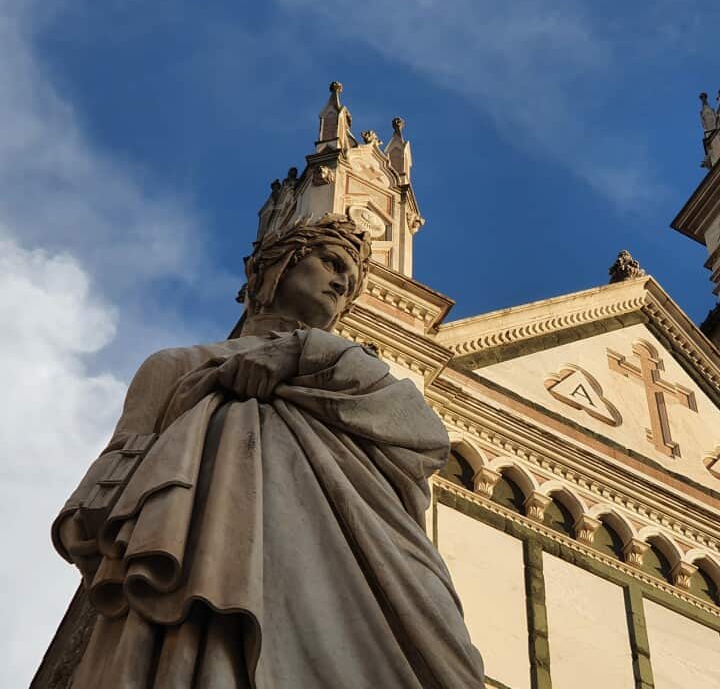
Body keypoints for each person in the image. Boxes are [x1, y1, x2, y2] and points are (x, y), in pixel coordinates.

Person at [53, 217, 485, 687]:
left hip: (364, 569)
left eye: (351, 280)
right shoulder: (179, 364)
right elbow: (107, 487)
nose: (341, 283)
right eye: (330, 263)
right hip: (214, 567)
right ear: (277, 268)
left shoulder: (357, 376)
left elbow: (423, 437)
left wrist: (303, 353)